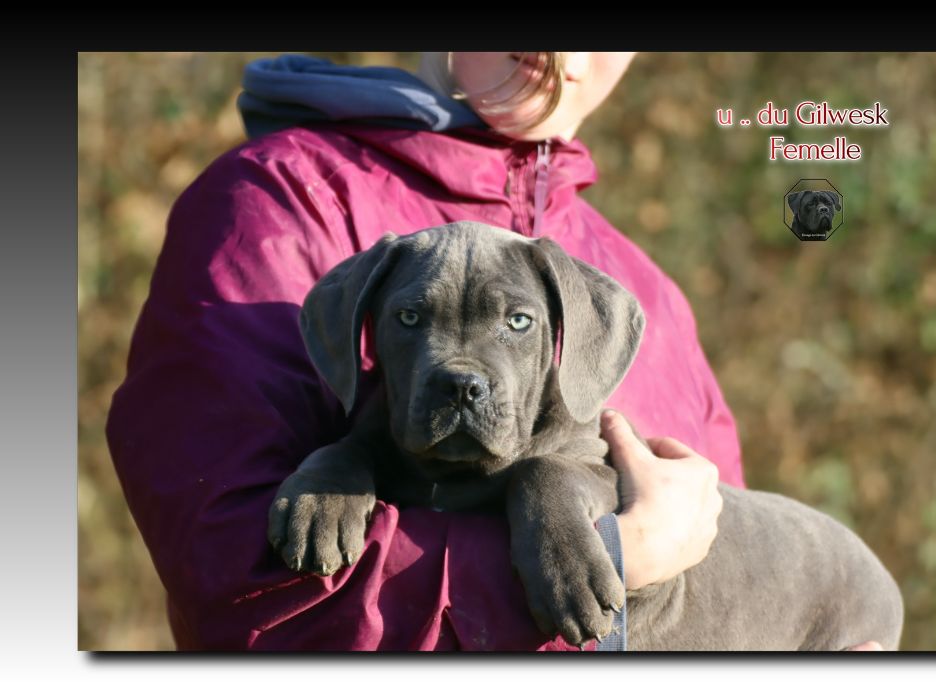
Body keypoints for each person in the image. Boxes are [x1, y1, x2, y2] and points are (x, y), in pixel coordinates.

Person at [105, 52, 863, 651]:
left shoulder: (647, 293)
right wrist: (620, 559)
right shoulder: (283, 204)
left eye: (519, 323)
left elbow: (740, 587)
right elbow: (239, 584)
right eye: (413, 320)